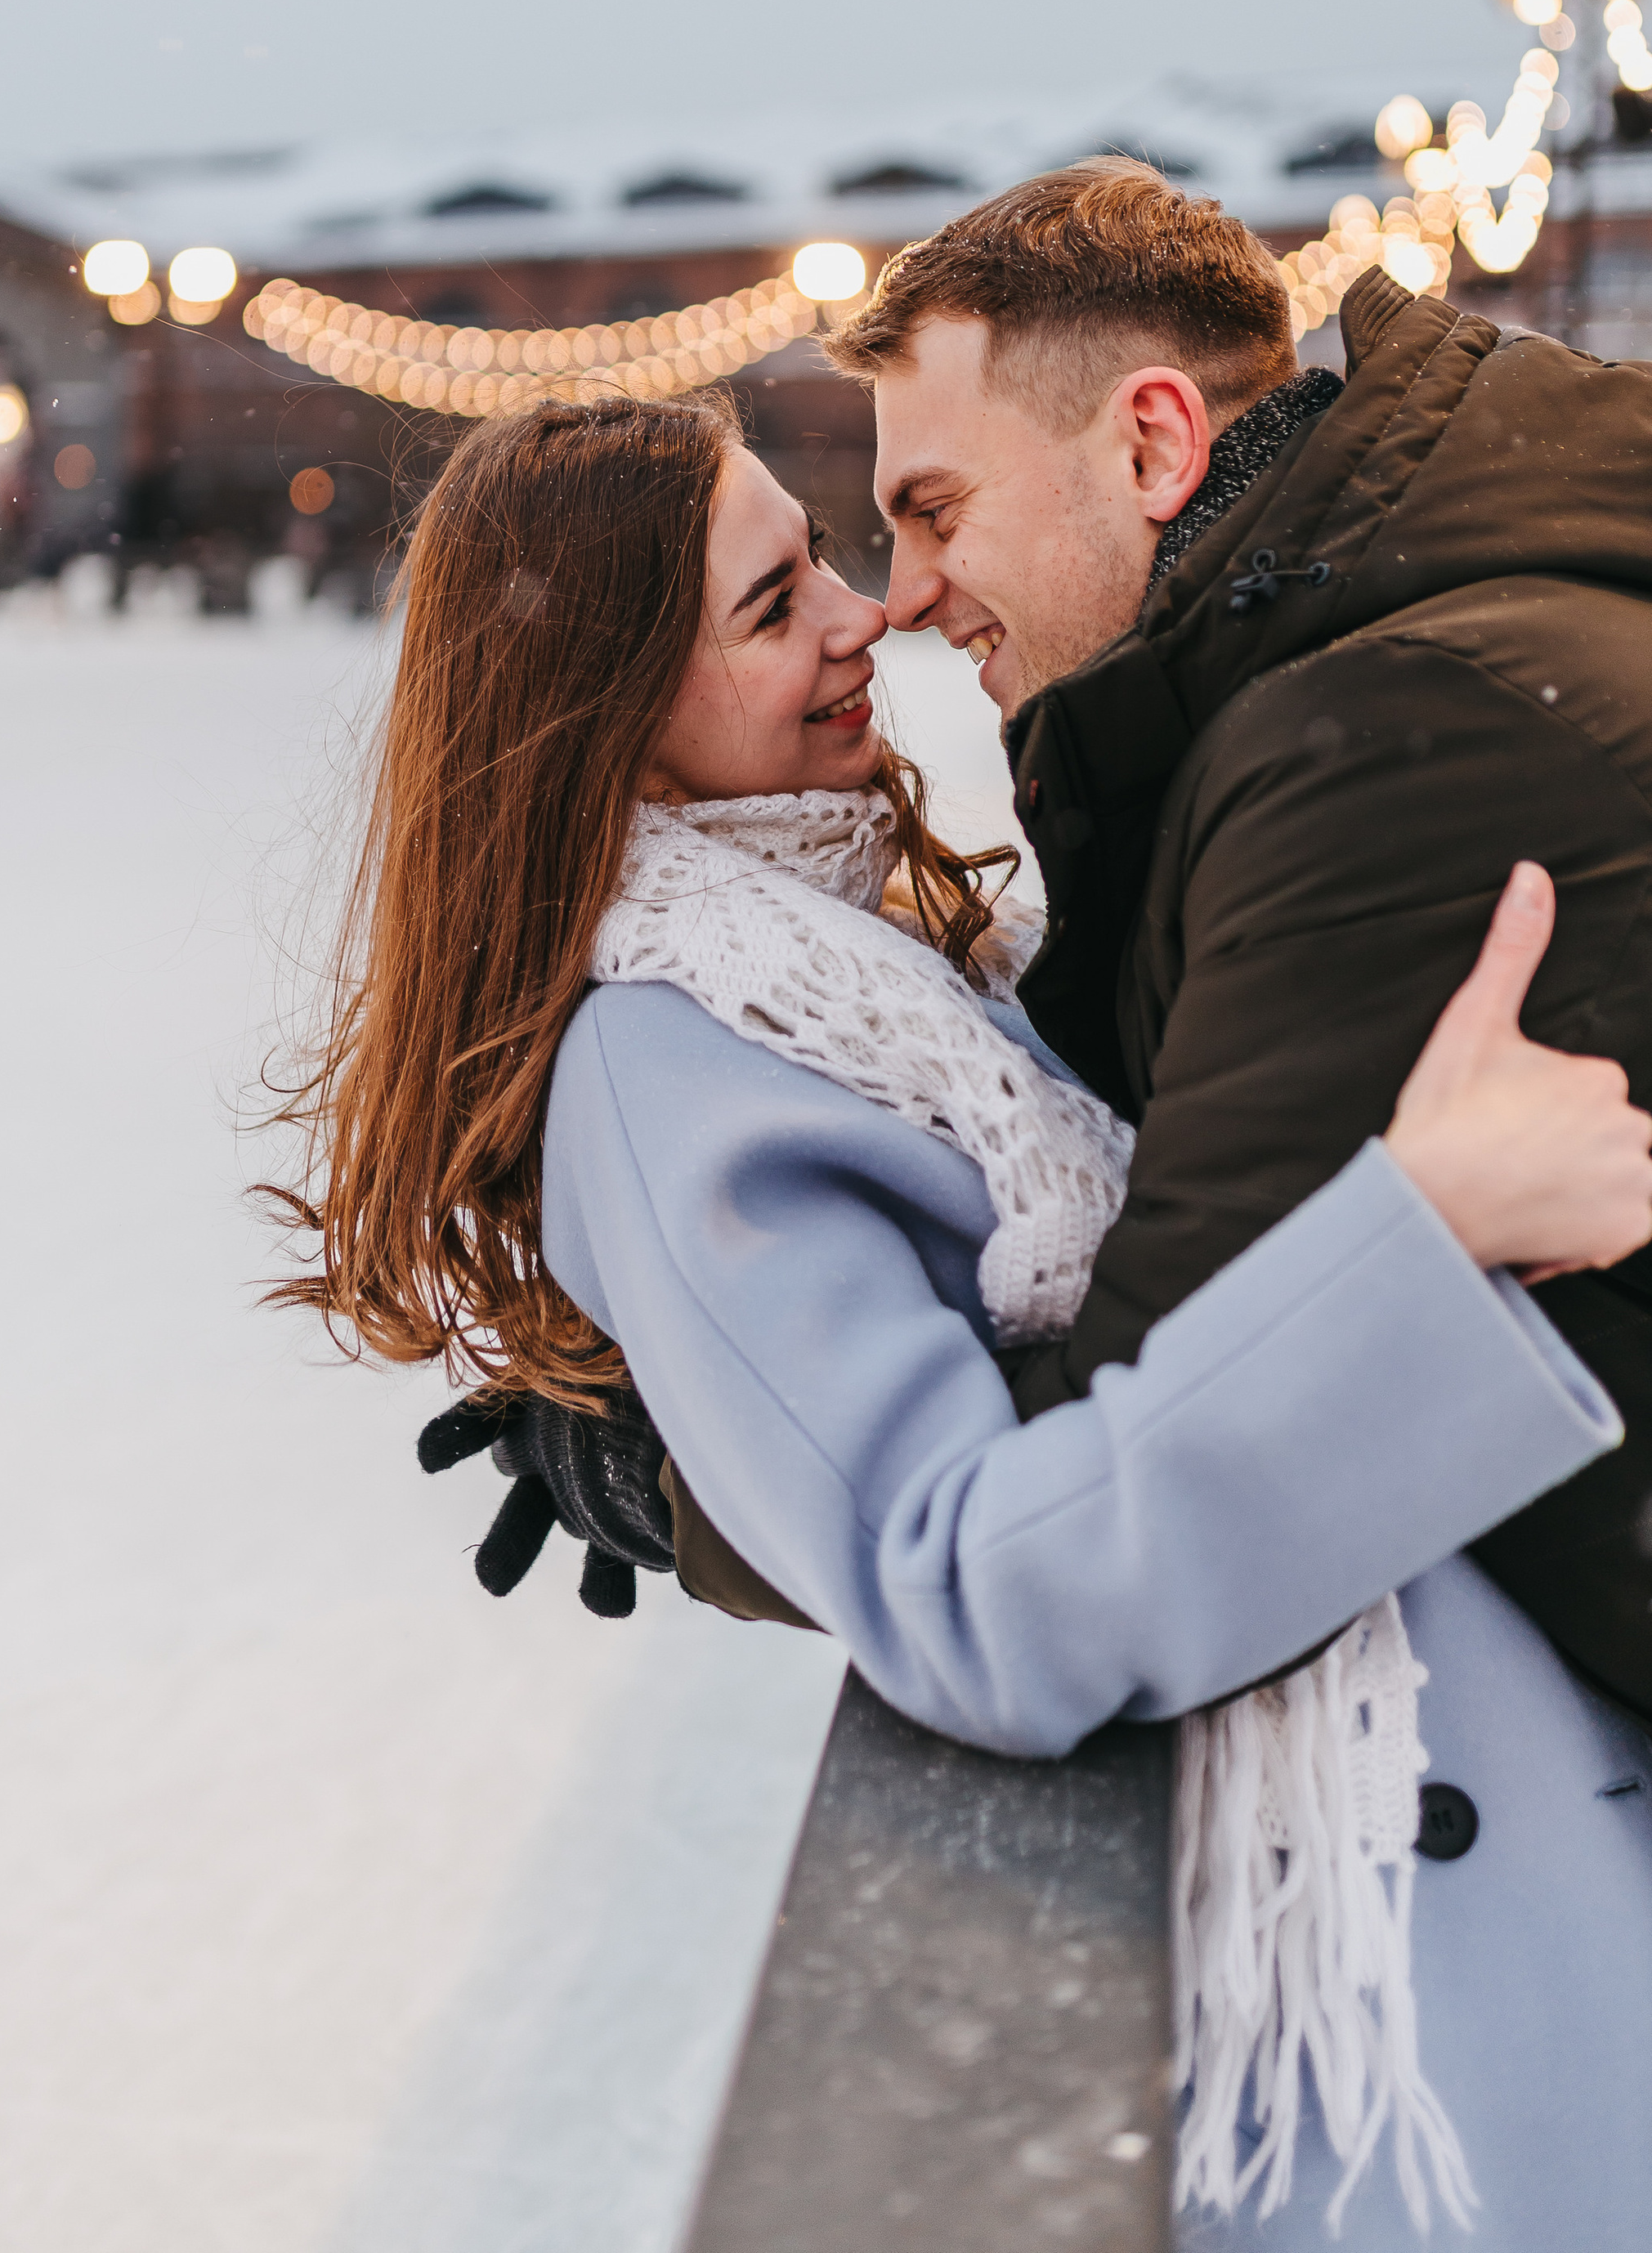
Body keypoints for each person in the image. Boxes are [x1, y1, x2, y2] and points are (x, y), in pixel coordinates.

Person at [269, 385, 1652, 2245]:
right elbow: (967, 1593)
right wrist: (1429, 1225)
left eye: (820, 557)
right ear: (612, 735)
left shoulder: (882, 958)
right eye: (773, 609)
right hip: (1350, 1974)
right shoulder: (667, 1065)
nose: (863, 615)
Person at [826, 160, 1652, 1717]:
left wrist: (687, 1463)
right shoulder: (1388, 654)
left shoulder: (1390, 739)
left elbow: (1119, 1502)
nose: (905, 597)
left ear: (1152, 443)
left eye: (935, 511)